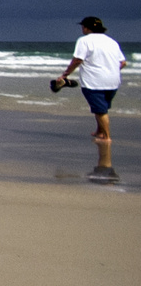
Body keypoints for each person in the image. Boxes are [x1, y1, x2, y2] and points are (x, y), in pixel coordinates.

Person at [58, 16, 125, 181]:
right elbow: (122, 63)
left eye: (83, 27)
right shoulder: (111, 41)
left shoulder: (84, 40)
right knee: (103, 107)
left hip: (94, 81)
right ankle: (99, 131)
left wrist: (65, 74)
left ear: (87, 28)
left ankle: (106, 136)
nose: (82, 29)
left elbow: (78, 60)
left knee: (100, 109)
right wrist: (109, 69)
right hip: (113, 80)